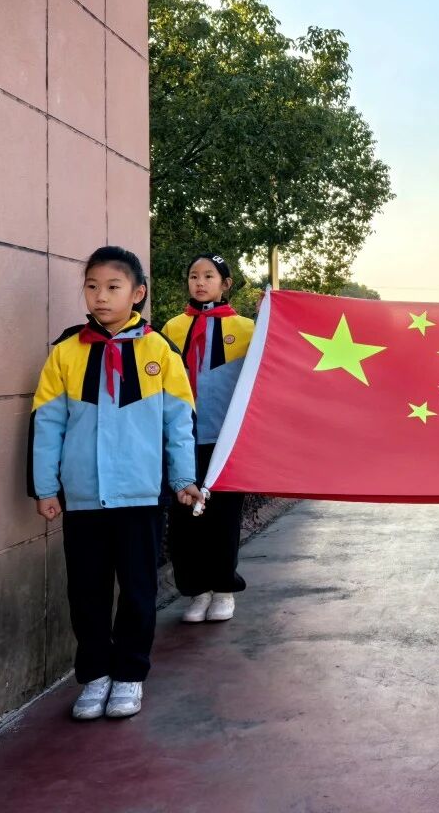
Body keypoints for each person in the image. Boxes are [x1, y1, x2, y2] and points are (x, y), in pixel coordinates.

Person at [28, 246, 201, 720]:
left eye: (112, 287)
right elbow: (47, 424)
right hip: (84, 498)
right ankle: (95, 675)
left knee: (139, 591)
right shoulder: (66, 352)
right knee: (87, 593)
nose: (100, 296)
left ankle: (129, 674)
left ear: (137, 293)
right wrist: (46, 488)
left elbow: (179, 422)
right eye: (92, 286)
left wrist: (183, 478)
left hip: (140, 496)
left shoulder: (159, 351)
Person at [161, 254, 255, 623]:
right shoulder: (172, 328)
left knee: (222, 520)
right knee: (184, 522)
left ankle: (223, 590)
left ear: (225, 284)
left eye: (209, 276)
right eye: (194, 276)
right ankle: (196, 591)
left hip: (225, 442)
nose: (200, 283)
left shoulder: (246, 329)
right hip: (182, 440)